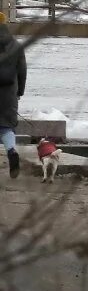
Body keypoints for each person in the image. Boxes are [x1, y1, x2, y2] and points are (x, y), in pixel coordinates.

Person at [0, 12, 26, 179]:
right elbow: (22, 72)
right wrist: (20, 91)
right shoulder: (16, 45)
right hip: (8, 93)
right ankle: (11, 151)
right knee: (6, 127)